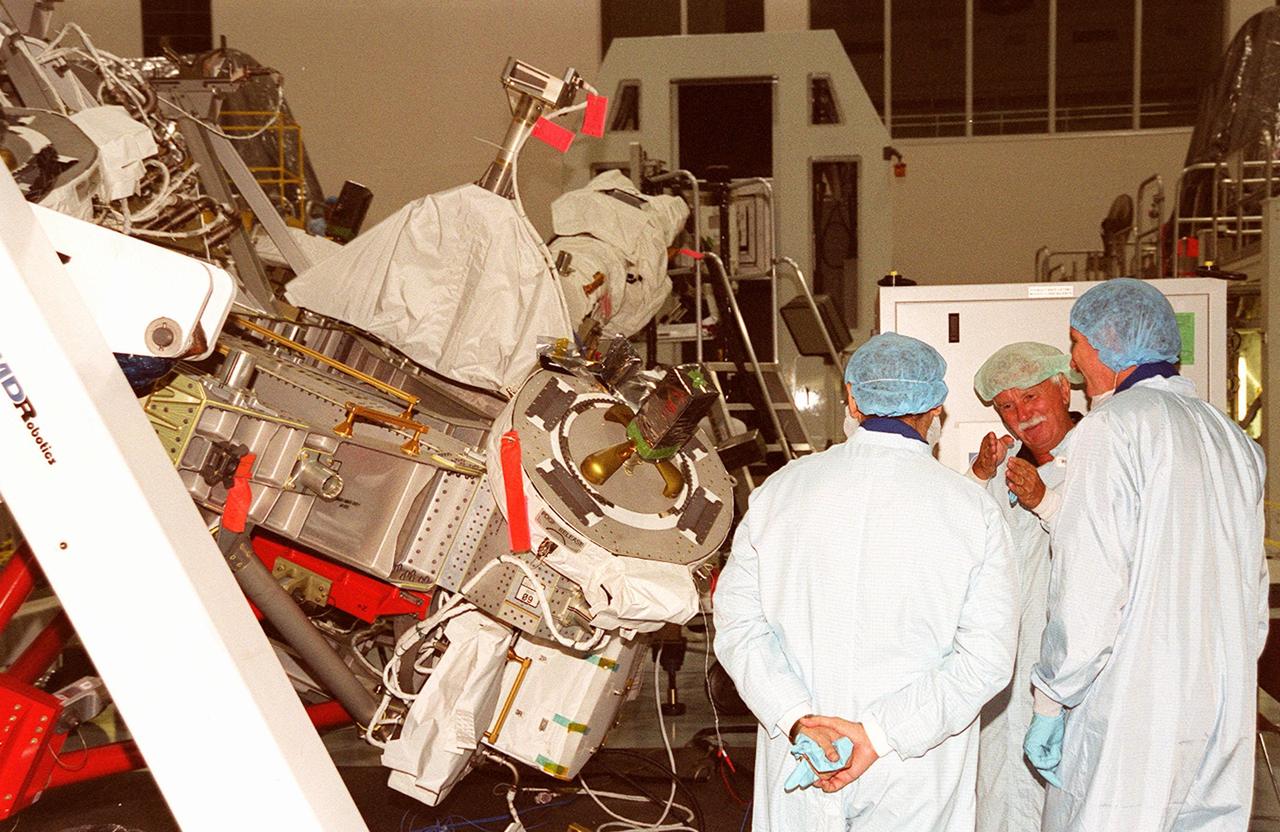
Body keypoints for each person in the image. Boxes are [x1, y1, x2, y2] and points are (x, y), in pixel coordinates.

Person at [714, 332, 1018, 831]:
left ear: (851, 399)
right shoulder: (971, 510)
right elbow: (985, 661)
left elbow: (739, 626)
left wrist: (796, 717)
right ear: (935, 408)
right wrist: (876, 734)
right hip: (912, 761)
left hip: (807, 752)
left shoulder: (781, 491)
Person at [1025, 278, 1268, 831]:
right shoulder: (1232, 438)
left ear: (1111, 346)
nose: (1074, 359)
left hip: (1136, 705)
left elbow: (1091, 587)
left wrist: (1051, 696)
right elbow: (1251, 592)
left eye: (1076, 343)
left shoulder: (1114, 428)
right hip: (1221, 702)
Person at [967, 343, 1082, 832]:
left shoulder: (1098, 458)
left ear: (1062, 387)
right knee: (998, 803)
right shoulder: (1002, 467)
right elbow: (960, 545)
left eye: (1032, 397)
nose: (1021, 416)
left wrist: (1045, 501)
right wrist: (979, 477)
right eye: (1007, 406)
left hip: (1072, 677)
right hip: (1003, 678)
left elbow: (1107, 557)